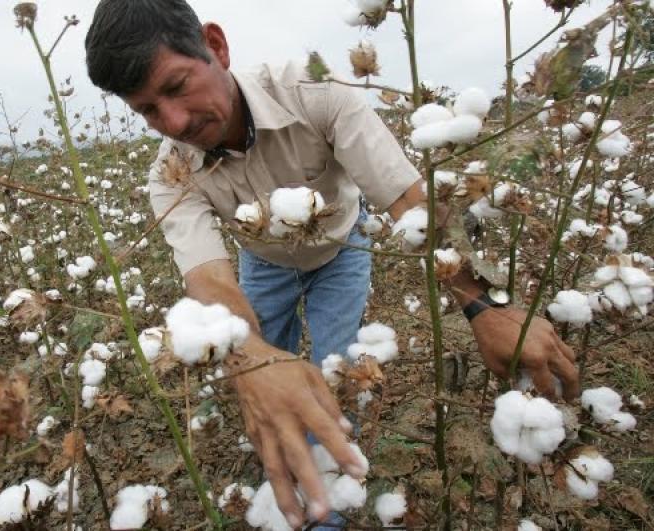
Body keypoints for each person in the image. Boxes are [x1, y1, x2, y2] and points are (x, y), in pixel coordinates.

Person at [85, 0, 580, 527]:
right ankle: (280, 462)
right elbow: (208, 276)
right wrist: (253, 360)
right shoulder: (172, 173)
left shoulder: (314, 94)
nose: (174, 122)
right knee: (258, 373)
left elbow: (406, 200)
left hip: (341, 254)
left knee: (336, 371)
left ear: (215, 46)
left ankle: (330, 501)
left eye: (177, 86)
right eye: (148, 111)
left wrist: (484, 306)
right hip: (262, 268)